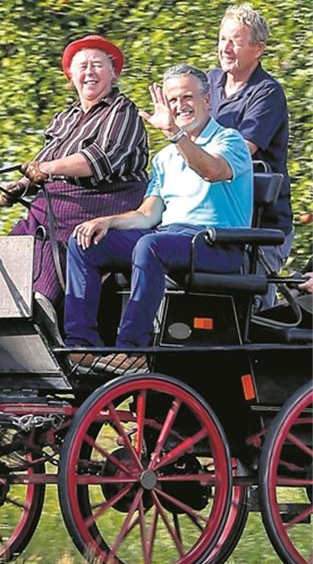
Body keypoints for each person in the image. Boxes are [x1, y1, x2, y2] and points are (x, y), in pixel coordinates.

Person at [63, 64, 253, 373]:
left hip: (218, 243)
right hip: (170, 237)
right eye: (172, 101)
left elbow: (211, 170)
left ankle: (133, 349)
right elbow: (147, 214)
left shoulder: (230, 141)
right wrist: (107, 222)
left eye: (187, 97)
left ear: (207, 101)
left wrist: (174, 134)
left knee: (150, 246)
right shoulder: (164, 158)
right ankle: (81, 345)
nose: (180, 107)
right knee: (85, 242)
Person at [0, 34, 149, 316]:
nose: (89, 72)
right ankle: (5, 305)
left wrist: (46, 169)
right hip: (53, 203)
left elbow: (99, 161)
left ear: (113, 72)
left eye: (97, 65)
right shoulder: (64, 117)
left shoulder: (122, 110)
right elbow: (43, 161)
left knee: (54, 237)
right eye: (82, 66)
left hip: (102, 202)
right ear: (71, 76)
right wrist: (20, 185)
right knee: (19, 237)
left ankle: (43, 304)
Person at [207, 3, 291, 302]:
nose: (225, 48)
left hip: (259, 226)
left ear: (258, 49)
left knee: (248, 313)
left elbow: (241, 152)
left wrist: (196, 155)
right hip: (211, 218)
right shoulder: (208, 83)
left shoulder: (267, 93)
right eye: (222, 39)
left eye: (236, 42)